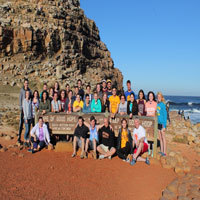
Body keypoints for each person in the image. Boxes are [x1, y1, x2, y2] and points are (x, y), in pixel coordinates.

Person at [18, 78, 32, 143]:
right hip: (22, 109)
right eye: (25, 83)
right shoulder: (22, 90)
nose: (26, 84)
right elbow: (20, 99)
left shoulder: (30, 90)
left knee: (28, 126)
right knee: (21, 123)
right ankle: (19, 137)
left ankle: (27, 139)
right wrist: (21, 109)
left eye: (27, 83)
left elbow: (31, 98)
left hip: (28, 109)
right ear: (24, 83)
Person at [157, 92, 167, 156]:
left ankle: (164, 152)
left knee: (163, 138)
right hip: (158, 123)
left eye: (160, 97)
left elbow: (165, 115)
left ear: (162, 98)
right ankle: (161, 151)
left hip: (162, 123)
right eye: (158, 97)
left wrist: (164, 126)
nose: (159, 98)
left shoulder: (163, 105)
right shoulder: (157, 104)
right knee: (160, 138)